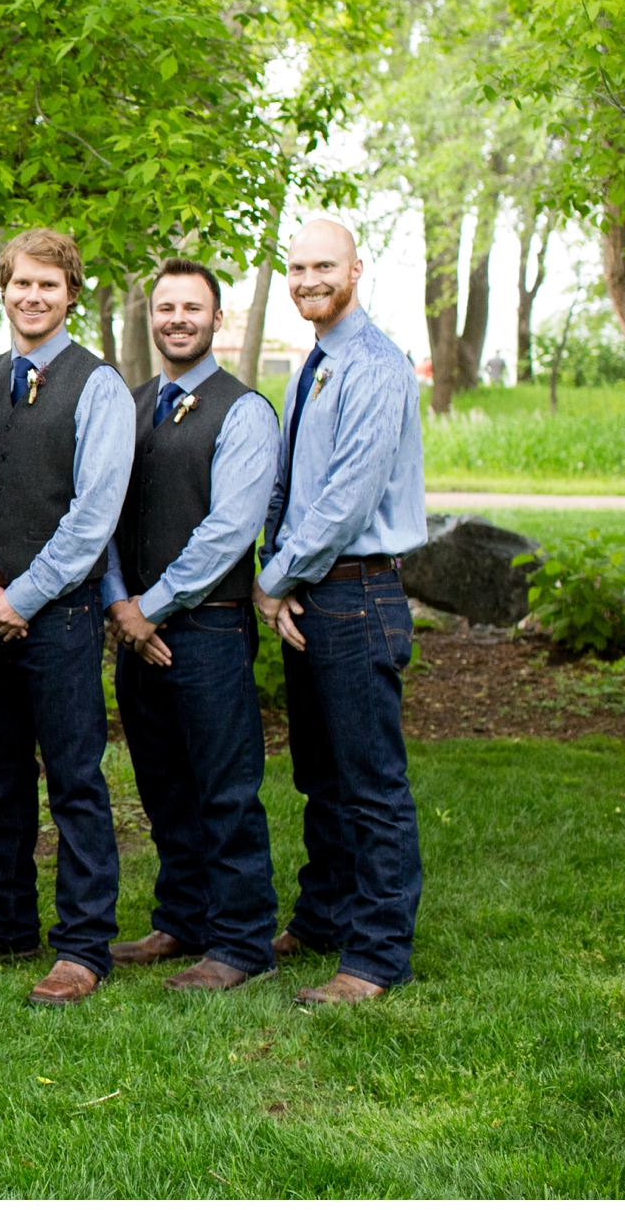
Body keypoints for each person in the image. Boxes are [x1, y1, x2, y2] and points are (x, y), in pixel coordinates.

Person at [0, 227, 135, 1008]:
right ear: (4, 288)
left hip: (63, 615)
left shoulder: (99, 386)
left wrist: (24, 596)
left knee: (75, 779)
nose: (33, 296)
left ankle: (84, 943)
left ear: (70, 293)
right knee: (0, 776)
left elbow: (94, 515)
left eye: (49, 285)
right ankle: (5, 921)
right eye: (21, 283)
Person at [255, 217, 427, 1006]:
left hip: (358, 594)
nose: (307, 279)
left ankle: (378, 953)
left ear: (357, 268)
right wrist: (283, 576)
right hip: (313, 594)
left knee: (370, 783)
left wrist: (274, 576)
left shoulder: (378, 365)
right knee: (321, 777)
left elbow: (349, 497)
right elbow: (292, 489)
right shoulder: (311, 365)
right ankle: (325, 916)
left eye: (323, 264)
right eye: (296, 267)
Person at [100, 260, 282, 992]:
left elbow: (230, 529)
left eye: (192, 307)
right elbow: (103, 514)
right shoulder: (130, 403)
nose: (177, 318)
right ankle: (183, 917)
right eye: (166, 307)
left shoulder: (244, 410)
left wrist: (153, 605)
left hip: (207, 624)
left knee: (224, 785)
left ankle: (241, 940)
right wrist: (121, 604)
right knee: (163, 781)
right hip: (135, 624)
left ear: (216, 318)